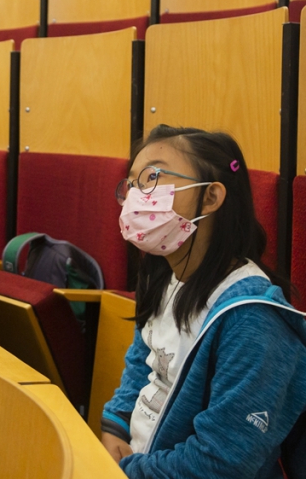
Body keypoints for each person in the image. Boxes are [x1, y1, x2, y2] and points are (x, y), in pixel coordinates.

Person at [101, 124, 306, 478]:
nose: (135, 195)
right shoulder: (161, 275)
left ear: (210, 197)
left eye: (152, 178)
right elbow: (144, 360)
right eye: (131, 184)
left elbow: (222, 461)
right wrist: (115, 425)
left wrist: (127, 471)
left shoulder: (253, 318)